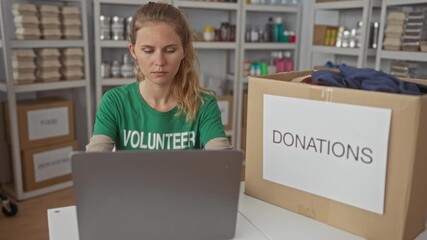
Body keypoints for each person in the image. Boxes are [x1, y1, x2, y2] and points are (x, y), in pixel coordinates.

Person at [86, 2, 232, 152]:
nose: (159, 62)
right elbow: (94, 161)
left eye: (170, 50)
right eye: (148, 51)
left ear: (185, 50)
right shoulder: (114, 102)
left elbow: (222, 163)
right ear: (133, 50)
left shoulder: (204, 104)